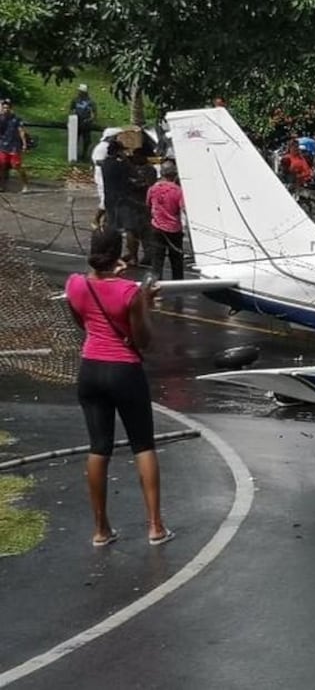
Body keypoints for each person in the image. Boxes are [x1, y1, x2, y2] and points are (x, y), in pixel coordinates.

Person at [64, 228, 173, 547]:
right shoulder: (129, 292)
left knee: (99, 447)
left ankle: (101, 529)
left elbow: (81, 320)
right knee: (143, 445)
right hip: (124, 370)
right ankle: (155, 526)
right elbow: (143, 340)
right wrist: (145, 303)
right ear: (119, 255)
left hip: (91, 369)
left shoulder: (75, 284)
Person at [147, 160, 186, 281]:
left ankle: (156, 285)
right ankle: (178, 284)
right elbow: (183, 208)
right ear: (174, 174)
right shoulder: (178, 190)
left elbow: (148, 204)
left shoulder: (153, 189)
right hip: (174, 229)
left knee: (157, 261)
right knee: (176, 260)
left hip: (157, 228)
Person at [125, 146, 157, 266]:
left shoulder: (149, 169)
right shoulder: (131, 168)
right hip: (132, 204)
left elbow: (148, 185)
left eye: (137, 156)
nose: (134, 158)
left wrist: (134, 183)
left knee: (146, 232)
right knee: (131, 232)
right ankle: (133, 256)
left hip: (143, 204)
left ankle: (148, 256)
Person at [90, 127, 122, 229]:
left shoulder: (113, 147)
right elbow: (98, 161)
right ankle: (96, 219)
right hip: (102, 175)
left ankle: (107, 222)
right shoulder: (102, 147)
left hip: (110, 176)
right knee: (105, 199)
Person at [0, 98, 31, 193]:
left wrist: (24, 144)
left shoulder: (16, 119)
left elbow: (21, 131)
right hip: (3, 145)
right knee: (2, 165)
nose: (5, 110)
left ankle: (25, 184)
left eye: (7, 108)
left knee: (16, 165)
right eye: (4, 108)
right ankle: (2, 185)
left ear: (11, 108)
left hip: (14, 145)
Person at [69, 84, 98, 152]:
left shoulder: (90, 102)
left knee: (86, 140)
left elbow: (94, 113)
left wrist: (90, 120)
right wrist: (73, 117)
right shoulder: (75, 100)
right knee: (75, 139)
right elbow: (71, 109)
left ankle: (84, 153)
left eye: (80, 91)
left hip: (86, 123)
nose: (79, 93)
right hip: (76, 122)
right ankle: (74, 152)